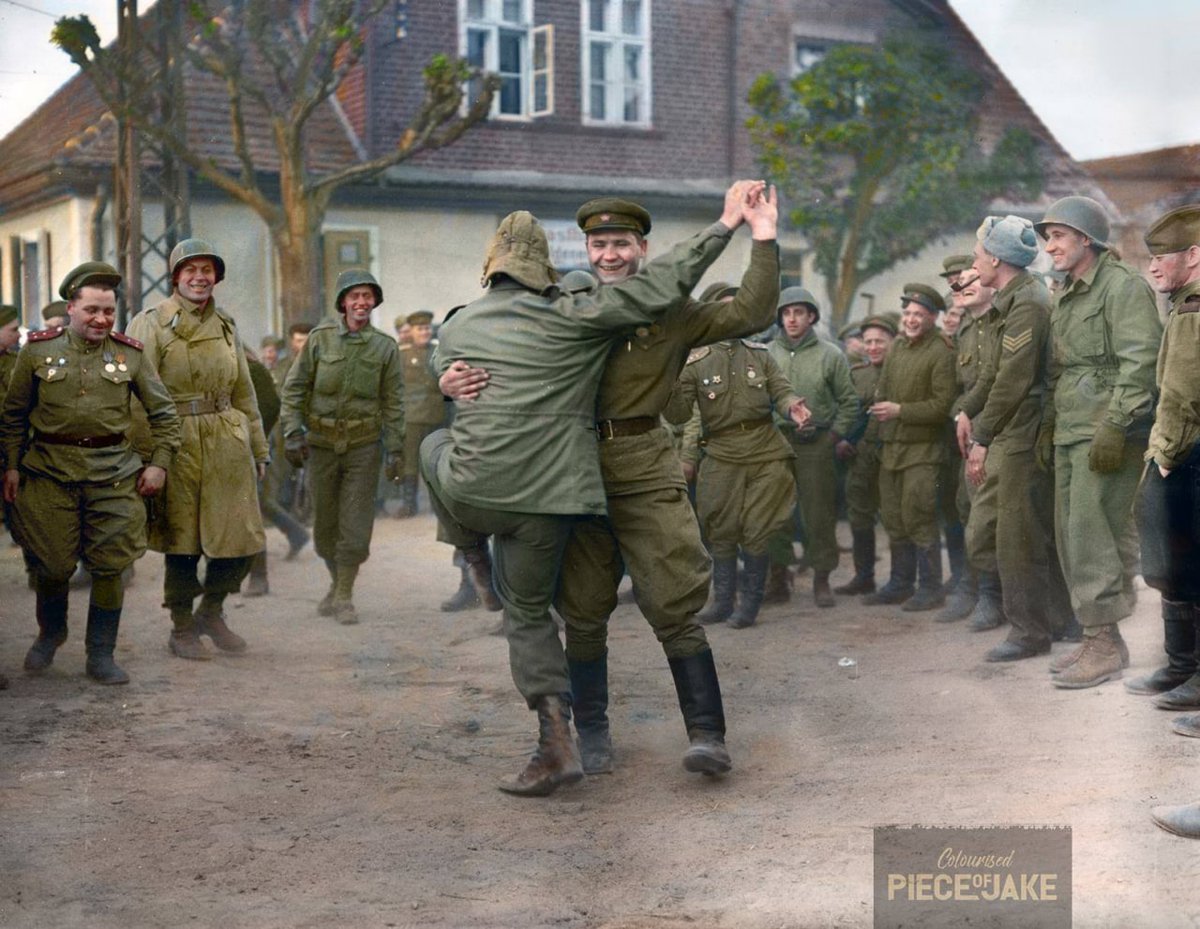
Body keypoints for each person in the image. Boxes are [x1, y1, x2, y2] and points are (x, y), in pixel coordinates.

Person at [422, 189, 751, 797]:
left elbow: (663, 292)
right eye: (598, 244)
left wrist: (740, 229)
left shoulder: (489, 316)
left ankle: (702, 734)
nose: (609, 253)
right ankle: (590, 733)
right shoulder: (566, 309)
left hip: (617, 470)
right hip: (570, 482)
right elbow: (449, 354)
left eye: (620, 243)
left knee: (666, 598)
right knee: (581, 609)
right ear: (559, 265)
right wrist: (444, 376)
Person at [1, 262, 181, 683]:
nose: (101, 319)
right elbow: (12, 416)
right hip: (48, 475)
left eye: (108, 311)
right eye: (92, 311)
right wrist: (10, 466)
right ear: (71, 309)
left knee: (109, 565)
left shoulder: (130, 354)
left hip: (113, 476)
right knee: (52, 566)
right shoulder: (37, 352)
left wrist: (159, 463)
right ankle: (52, 632)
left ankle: (101, 653)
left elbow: (165, 415)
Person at [1035, 196, 1163, 688]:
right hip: (1072, 429)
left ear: (1086, 238)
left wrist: (1116, 425)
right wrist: (1052, 423)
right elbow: (1061, 367)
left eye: (1058, 236)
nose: (1050, 247)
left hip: (1105, 433)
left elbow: (1139, 363)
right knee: (1072, 537)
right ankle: (1098, 635)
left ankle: (1104, 643)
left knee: (1095, 536)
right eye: (1048, 238)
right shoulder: (1068, 291)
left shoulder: (1120, 287)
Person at [127, 238, 270, 660]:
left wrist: (258, 448)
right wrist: (150, 457)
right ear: (175, 278)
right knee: (183, 541)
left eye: (207, 270)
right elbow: (137, 396)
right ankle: (182, 626)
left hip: (227, 440)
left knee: (240, 537)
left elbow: (244, 389)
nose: (199, 277)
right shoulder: (150, 322)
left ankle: (213, 610)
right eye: (190, 270)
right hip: (176, 440)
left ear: (217, 277)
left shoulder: (226, 323)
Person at [957, 216, 1073, 662]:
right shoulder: (1015, 298)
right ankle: (1059, 622)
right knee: (1027, 531)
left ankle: (1029, 633)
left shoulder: (1026, 302)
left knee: (1017, 535)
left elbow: (1015, 377)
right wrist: (967, 409)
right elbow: (993, 372)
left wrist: (983, 435)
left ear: (996, 259)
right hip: (1020, 426)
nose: (973, 261)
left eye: (977, 253)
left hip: (1025, 430)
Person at [280, 269, 404, 625]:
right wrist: (292, 432)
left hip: (364, 445)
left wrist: (395, 448)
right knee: (325, 527)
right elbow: (295, 389)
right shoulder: (319, 340)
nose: (361, 303)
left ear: (374, 302)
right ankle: (336, 586)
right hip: (320, 444)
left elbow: (394, 401)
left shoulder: (384, 347)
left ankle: (345, 595)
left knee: (355, 523)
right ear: (343, 302)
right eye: (355, 297)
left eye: (367, 297)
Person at [666, 332, 809, 630]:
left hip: (765, 451)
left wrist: (792, 405)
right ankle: (722, 602)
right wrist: (669, 379)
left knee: (757, 527)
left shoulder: (760, 354)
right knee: (721, 526)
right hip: (721, 453)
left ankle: (750, 605)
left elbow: (782, 391)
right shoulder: (695, 361)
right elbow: (678, 414)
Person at [1141, 204, 1200, 840]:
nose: (1154, 263)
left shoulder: (1191, 313)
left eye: (1167, 253)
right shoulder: (1182, 310)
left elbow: (1181, 397)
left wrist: (1162, 455)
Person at [863, 284, 957, 610]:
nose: (911, 320)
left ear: (933, 317)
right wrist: (875, 437)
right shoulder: (897, 347)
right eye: (907, 313)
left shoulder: (942, 352)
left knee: (919, 516)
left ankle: (930, 588)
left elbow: (942, 405)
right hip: (891, 448)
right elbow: (881, 395)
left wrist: (900, 410)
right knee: (893, 517)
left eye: (919, 314)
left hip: (923, 451)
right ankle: (900, 583)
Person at [764, 287, 858, 607]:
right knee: (774, 512)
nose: (792, 319)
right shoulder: (766, 354)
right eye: (786, 313)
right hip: (777, 443)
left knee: (818, 513)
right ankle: (778, 575)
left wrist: (833, 436)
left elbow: (849, 402)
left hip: (816, 443)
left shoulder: (830, 354)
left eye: (799, 313)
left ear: (812, 317)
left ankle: (821, 579)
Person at [940, 268, 1004, 628]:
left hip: (998, 429)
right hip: (972, 431)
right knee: (969, 510)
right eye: (956, 285)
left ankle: (992, 598)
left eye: (968, 281)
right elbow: (961, 388)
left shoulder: (1000, 322)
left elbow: (1000, 382)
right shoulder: (966, 329)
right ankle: (977, 589)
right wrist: (959, 416)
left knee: (989, 516)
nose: (959, 289)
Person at [835, 315, 896, 595]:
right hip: (861, 454)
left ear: (892, 343)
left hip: (893, 451)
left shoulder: (899, 371)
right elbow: (849, 409)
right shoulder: (858, 373)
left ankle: (899, 580)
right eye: (868, 341)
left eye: (879, 342)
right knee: (859, 513)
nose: (873, 347)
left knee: (896, 516)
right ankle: (864, 576)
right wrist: (846, 438)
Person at [394, 310, 442, 519]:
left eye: (426, 328)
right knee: (410, 462)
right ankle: (409, 504)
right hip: (411, 417)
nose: (424, 332)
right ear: (411, 331)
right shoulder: (401, 353)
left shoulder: (440, 351)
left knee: (435, 461)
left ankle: (438, 505)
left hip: (436, 415)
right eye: (419, 329)